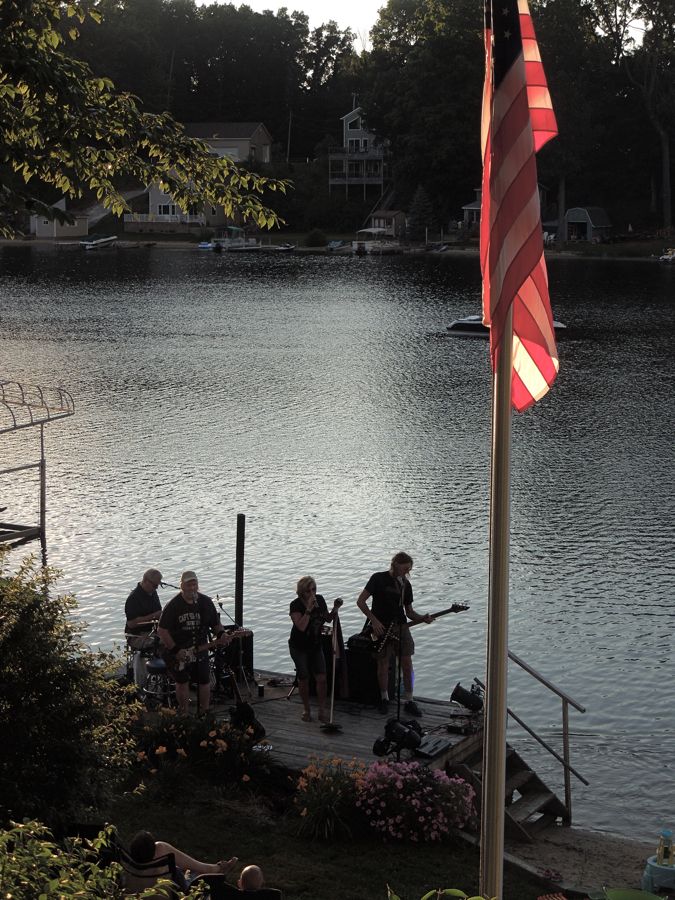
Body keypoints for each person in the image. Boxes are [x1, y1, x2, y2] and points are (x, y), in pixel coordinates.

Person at [356, 551, 432, 716]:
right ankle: (384, 698)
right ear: (396, 564)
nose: (407, 572)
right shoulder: (378, 578)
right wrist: (374, 621)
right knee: (383, 664)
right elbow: (361, 602)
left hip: (401, 627)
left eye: (409, 570)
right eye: (405, 568)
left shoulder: (406, 585)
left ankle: (409, 700)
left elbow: (409, 612)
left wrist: (422, 618)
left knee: (407, 664)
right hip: (381, 628)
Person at [157, 570, 233, 715]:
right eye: (188, 585)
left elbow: (216, 624)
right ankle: (184, 712)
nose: (192, 588)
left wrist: (222, 634)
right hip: (178, 649)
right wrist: (175, 650)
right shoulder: (173, 605)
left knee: (204, 680)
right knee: (182, 682)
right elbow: (162, 630)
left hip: (200, 648)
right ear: (182, 586)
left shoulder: (205, 602)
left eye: (194, 584)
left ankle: (205, 711)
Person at [288, 575, 342, 723]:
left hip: (315, 644)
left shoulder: (320, 600)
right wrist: (309, 609)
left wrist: (335, 608)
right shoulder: (295, 605)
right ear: (301, 592)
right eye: (308, 591)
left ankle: (322, 710)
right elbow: (301, 626)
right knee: (304, 678)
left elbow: (327, 618)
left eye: (314, 589)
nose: (312, 593)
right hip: (299, 646)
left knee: (322, 678)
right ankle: (306, 709)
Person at [126, 829, 237, 892]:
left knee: (186, 870)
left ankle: (208, 869)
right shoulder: (162, 862)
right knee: (195, 872)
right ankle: (215, 869)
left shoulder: (127, 867)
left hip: (142, 889)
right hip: (180, 891)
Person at [125, 568, 163, 686]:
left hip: (152, 631)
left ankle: (170, 678)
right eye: (154, 585)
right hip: (136, 635)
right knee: (163, 643)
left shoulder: (152, 593)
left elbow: (158, 612)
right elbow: (131, 623)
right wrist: (153, 616)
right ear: (146, 581)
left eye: (158, 586)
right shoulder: (133, 598)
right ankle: (156, 679)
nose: (156, 588)